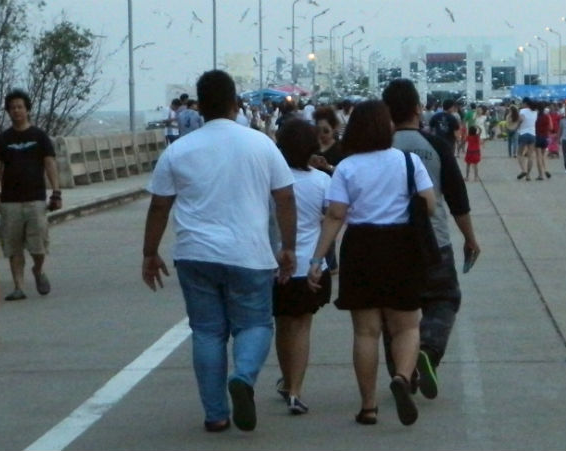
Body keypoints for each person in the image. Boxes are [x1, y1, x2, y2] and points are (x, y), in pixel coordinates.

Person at [141, 70, 299, 432]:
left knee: (208, 333)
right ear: (234, 103)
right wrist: (288, 247)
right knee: (255, 324)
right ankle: (243, 376)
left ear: (200, 105)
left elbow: (159, 206)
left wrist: (150, 253)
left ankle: (215, 415)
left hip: (195, 255)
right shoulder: (261, 144)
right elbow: (286, 198)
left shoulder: (178, 150)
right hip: (250, 254)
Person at [307, 100, 435, 427]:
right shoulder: (409, 162)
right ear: (387, 127)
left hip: (361, 247)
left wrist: (318, 259)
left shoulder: (348, 167)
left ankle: (368, 407)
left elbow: (336, 215)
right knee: (406, 326)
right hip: (402, 247)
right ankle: (403, 378)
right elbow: (429, 206)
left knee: (366, 332)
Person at [381, 79, 481, 405]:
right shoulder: (437, 145)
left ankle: (402, 373)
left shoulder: (377, 147)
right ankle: (428, 350)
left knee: (393, 312)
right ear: (417, 109)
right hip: (433, 243)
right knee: (444, 298)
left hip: (389, 244)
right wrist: (470, 239)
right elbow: (457, 198)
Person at [269, 119, 331, 416]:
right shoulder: (321, 181)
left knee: (282, 324)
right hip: (309, 265)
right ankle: (295, 390)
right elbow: (335, 216)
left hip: (275, 265)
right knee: (303, 326)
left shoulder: (271, 181)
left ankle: (286, 380)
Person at [0, 89, 61, 301]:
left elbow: (50, 164)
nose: (17, 111)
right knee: (13, 246)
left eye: (20, 107)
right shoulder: (4, 139)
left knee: (38, 246)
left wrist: (56, 192)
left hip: (35, 199)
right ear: (8, 112)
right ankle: (19, 286)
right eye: (12, 108)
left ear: (27, 110)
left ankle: (38, 270)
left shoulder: (39, 137)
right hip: (10, 200)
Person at [516, 101, 541, 180]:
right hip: (532, 134)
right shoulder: (535, 112)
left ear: (526, 104)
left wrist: (516, 127)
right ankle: (528, 175)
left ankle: (523, 170)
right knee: (530, 156)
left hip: (523, 133)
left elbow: (520, 120)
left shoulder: (522, 111)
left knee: (519, 153)